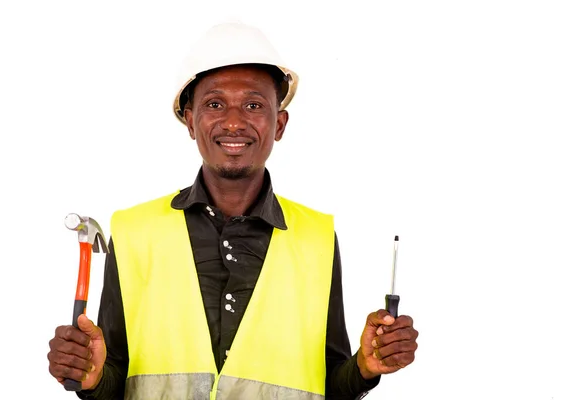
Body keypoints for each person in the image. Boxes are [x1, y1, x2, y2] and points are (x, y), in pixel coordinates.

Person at [47, 21, 419, 400]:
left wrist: (364, 368)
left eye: (254, 105)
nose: (234, 122)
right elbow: (116, 377)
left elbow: (327, 386)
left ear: (280, 124)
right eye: (214, 104)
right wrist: (90, 377)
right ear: (190, 121)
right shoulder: (134, 232)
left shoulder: (316, 239)